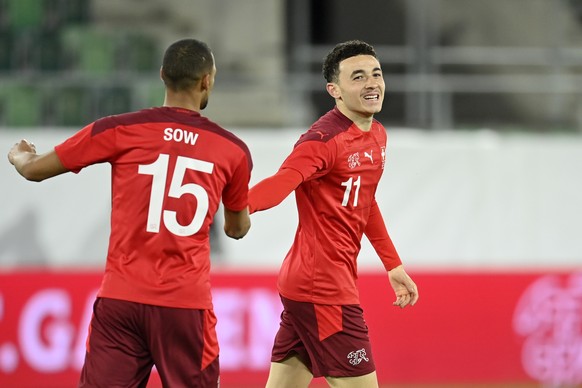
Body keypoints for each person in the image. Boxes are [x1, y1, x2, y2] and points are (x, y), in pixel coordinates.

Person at [7, 38, 252, 387]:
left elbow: (33, 170)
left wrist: (19, 154)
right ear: (207, 81)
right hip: (185, 307)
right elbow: (237, 228)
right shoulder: (233, 151)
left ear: (163, 75)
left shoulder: (120, 128)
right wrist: (239, 216)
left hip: (122, 300)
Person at [248, 40, 419, 388]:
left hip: (307, 285)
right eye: (358, 77)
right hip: (323, 290)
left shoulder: (377, 135)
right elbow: (284, 181)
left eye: (376, 74)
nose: (372, 83)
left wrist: (393, 264)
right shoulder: (323, 140)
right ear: (335, 91)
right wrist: (235, 204)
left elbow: (365, 203)